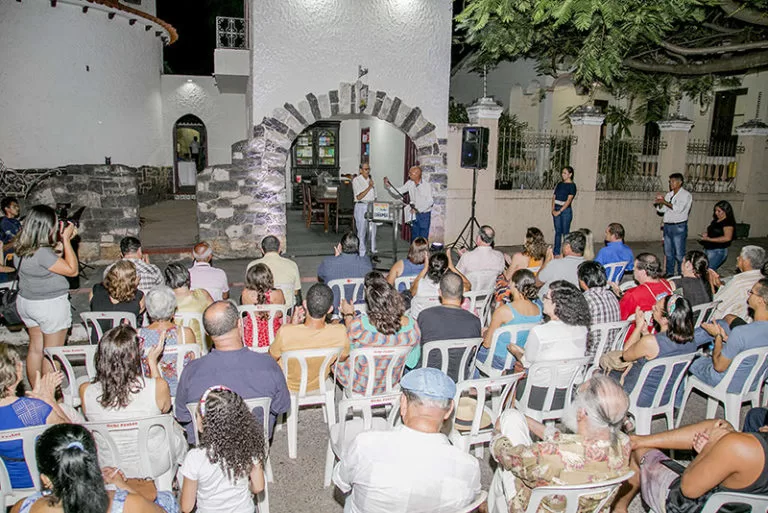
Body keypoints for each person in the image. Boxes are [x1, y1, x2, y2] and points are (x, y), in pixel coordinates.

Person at [333, 367, 481, 513]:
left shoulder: (365, 445)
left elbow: (341, 481)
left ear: (403, 403)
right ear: (449, 410)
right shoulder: (469, 466)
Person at [488, 375, 631, 513]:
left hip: (534, 507)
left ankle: (491, 505)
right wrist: (527, 420)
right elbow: (567, 442)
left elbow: (507, 456)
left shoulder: (548, 454)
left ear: (581, 413)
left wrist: (497, 434)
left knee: (509, 421)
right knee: (514, 416)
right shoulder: (624, 444)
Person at [80, 325, 187, 480]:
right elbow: (165, 408)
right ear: (133, 356)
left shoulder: (85, 391)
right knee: (174, 426)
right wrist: (152, 362)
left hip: (109, 465)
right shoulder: (157, 387)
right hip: (155, 464)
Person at [174, 301, 290, 442]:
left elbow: (182, 415)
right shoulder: (267, 365)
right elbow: (281, 406)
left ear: (207, 333)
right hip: (254, 444)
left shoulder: (191, 371)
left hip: (209, 447)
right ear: (240, 324)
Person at [10, 423, 177, 513]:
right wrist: (123, 487)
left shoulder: (23, 507)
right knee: (168, 499)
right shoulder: (128, 505)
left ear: (45, 479)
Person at [613, 419, 768, 513]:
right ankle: (638, 440)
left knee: (640, 453)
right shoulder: (747, 445)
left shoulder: (739, 446)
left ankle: (618, 509)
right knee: (720, 426)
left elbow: (688, 489)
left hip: (696, 505)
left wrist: (709, 448)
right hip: (747, 502)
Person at [14, 205, 79, 388]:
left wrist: (60, 244)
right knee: (52, 353)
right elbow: (72, 270)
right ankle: (48, 394)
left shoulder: (21, 246)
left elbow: (52, 261)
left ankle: (36, 389)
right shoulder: (42, 253)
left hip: (27, 302)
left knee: (36, 348)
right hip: (49, 306)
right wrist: (66, 240)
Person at [180, 387, 266, 513]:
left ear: (202, 424)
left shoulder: (194, 458)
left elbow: (186, 507)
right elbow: (258, 487)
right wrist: (248, 488)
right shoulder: (248, 446)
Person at [507, 280, 589, 409]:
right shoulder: (582, 329)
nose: (543, 300)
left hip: (538, 396)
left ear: (557, 304)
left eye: (546, 297)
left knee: (508, 375)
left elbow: (527, 363)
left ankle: (510, 415)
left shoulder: (539, 331)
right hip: (568, 394)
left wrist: (516, 351)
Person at [337, 273, 420, 394]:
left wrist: (348, 315)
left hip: (359, 385)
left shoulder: (359, 326)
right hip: (390, 383)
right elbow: (412, 362)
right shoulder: (412, 328)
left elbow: (347, 348)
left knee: (336, 354)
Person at [0, 344, 68, 490]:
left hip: (5, 488)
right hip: (42, 484)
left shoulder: (32, 408)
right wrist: (48, 400)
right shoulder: (34, 410)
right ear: (18, 370)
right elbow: (74, 436)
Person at [686, 278, 768, 393]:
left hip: (726, 381)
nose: (749, 294)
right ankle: (683, 341)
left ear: (760, 300)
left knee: (686, 358)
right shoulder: (748, 332)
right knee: (723, 324)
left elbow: (719, 367)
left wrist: (718, 336)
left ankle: (678, 346)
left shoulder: (741, 332)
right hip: (754, 381)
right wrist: (727, 338)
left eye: (752, 292)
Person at [614, 295, 697, 405]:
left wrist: (638, 326)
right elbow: (658, 351)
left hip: (637, 395)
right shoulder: (691, 342)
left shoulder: (651, 342)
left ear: (664, 319)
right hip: (665, 397)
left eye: (656, 309)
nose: (652, 307)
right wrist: (645, 332)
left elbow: (626, 355)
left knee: (599, 373)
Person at [269, 283, 349, 392]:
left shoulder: (285, 332)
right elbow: (342, 358)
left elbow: (271, 358)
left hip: (288, 387)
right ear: (330, 309)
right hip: (319, 385)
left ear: (305, 304)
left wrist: (292, 325)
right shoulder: (339, 332)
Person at [417, 271, 482, 381]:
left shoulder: (425, 316)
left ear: (440, 292)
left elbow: (417, 347)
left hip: (427, 378)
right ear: (462, 293)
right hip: (459, 378)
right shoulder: (475, 321)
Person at [476, 269, 542, 374]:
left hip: (498, 359)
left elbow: (487, 344)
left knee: (472, 352)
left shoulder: (504, 311)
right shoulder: (538, 309)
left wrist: (484, 333)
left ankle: (474, 381)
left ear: (514, 285)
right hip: (519, 357)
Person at [139, 286, 197, 396]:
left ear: (148, 310)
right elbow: (194, 366)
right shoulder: (185, 333)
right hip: (182, 392)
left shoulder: (138, 335)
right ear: (173, 309)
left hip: (150, 393)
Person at [317, 232, 373, 309]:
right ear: (358, 247)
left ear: (340, 246)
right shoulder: (366, 263)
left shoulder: (328, 262)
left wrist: (336, 258)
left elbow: (320, 275)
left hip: (335, 308)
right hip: (359, 308)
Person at [710, 245, 766, 320]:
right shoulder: (763, 280)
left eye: (740, 256)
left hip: (728, 321)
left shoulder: (738, 282)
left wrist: (711, 284)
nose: (737, 258)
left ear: (746, 262)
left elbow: (717, 303)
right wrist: (720, 285)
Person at [578, 261, 621, 359]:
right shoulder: (612, 295)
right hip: (610, 350)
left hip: (590, 354)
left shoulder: (585, 299)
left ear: (583, 281)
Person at [654, 172, 693, 276]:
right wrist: (660, 203)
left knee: (679, 253)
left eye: (673, 181)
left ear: (680, 182)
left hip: (678, 226)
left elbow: (679, 209)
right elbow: (662, 210)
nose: (671, 184)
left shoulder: (686, 195)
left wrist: (664, 202)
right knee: (668, 252)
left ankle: (682, 273)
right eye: (670, 181)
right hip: (668, 226)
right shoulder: (669, 194)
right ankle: (669, 273)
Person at [410, 252, 470, 319]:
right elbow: (468, 285)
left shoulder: (420, 284)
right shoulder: (451, 285)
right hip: (443, 320)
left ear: (429, 267)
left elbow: (412, 291)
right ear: (446, 269)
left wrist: (425, 269)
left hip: (420, 321)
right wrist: (452, 267)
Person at [247, 235, 301, 309]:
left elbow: (249, 290)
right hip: (286, 310)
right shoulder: (292, 265)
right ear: (279, 249)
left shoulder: (252, 266)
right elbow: (296, 291)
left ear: (262, 250)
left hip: (258, 310)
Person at [496, 227, 547, 304]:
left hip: (518, 289)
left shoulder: (519, 256)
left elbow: (507, 276)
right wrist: (511, 263)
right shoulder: (542, 258)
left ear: (527, 240)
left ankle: (501, 304)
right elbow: (524, 269)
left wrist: (503, 265)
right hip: (533, 288)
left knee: (499, 278)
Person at [618, 253, 675, 321]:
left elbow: (619, 319)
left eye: (635, 267)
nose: (633, 269)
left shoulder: (632, 294)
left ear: (642, 272)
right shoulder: (667, 284)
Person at [240, 263, 285, 349]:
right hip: (275, 339)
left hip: (251, 339)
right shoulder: (278, 293)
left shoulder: (245, 294)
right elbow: (280, 314)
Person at [383, 166, 434, 240]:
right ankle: (414, 248)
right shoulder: (410, 183)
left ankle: (423, 248)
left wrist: (418, 209)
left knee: (423, 238)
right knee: (414, 236)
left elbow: (430, 202)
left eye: (411, 173)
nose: (408, 175)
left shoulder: (426, 185)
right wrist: (389, 186)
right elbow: (399, 191)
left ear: (417, 174)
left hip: (424, 215)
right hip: (413, 214)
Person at [536, 231, 586, 299]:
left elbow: (537, 283)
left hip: (548, 301)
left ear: (567, 247)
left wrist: (546, 261)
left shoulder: (555, 264)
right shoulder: (587, 266)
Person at [700, 200, 736, 270]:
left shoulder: (728, 222)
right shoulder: (717, 220)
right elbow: (716, 231)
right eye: (715, 210)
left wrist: (709, 239)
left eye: (719, 211)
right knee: (705, 270)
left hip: (717, 251)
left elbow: (727, 238)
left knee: (709, 271)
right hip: (709, 248)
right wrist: (707, 234)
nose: (716, 213)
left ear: (726, 211)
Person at [352, 162, 378, 258]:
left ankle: (373, 250)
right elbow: (359, 196)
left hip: (371, 206)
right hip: (361, 206)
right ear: (360, 170)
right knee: (361, 230)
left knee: (373, 230)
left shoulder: (371, 180)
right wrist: (369, 187)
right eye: (365, 169)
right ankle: (361, 252)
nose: (368, 171)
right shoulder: (356, 180)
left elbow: (375, 196)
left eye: (368, 169)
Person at [551, 166, 576, 256]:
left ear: (570, 174)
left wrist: (560, 211)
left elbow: (569, 200)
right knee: (558, 232)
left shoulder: (572, 186)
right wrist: (553, 209)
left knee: (566, 233)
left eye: (565, 173)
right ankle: (556, 252)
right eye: (562, 173)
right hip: (556, 208)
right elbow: (554, 197)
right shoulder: (560, 184)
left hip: (565, 211)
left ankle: (566, 252)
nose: (563, 175)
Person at [0, 196, 21, 267]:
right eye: (14, 206)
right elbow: (15, 240)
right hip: (8, 257)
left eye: (17, 206)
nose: (17, 208)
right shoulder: (5, 223)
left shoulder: (16, 222)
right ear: (7, 209)